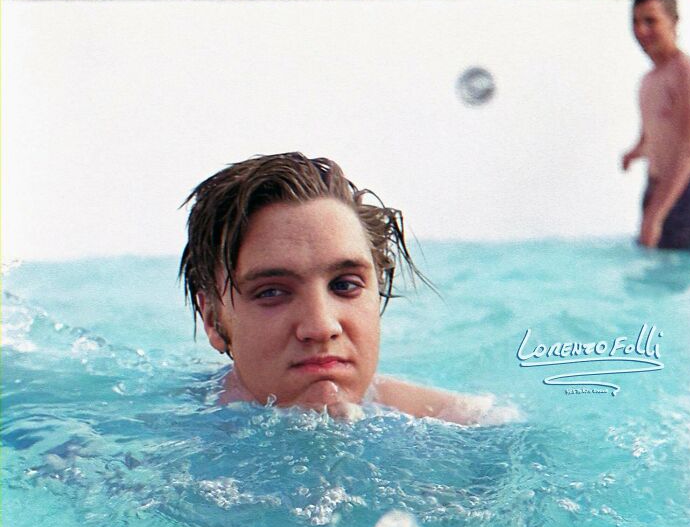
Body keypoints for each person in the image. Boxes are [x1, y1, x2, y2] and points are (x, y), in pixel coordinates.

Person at [179, 152, 516, 424]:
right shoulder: (157, 443)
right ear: (213, 320)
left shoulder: (470, 427)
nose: (322, 327)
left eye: (345, 285)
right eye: (271, 292)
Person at [621, 0, 690, 250]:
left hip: (686, 191)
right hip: (656, 190)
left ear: (674, 22)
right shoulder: (648, 80)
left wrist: (656, 215)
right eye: (636, 22)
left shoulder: (686, 72)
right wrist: (635, 151)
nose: (641, 30)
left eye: (651, 21)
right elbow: (654, 135)